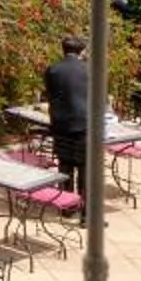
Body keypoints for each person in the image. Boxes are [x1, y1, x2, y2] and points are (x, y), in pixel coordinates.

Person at [44, 35, 92, 196]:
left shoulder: (53, 69)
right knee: (85, 167)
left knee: (65, 164)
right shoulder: (89, 70)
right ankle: (86, 212)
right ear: (81, 51)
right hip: (84, 124)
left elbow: (50, 95)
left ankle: (67, 206)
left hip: (60, 124)